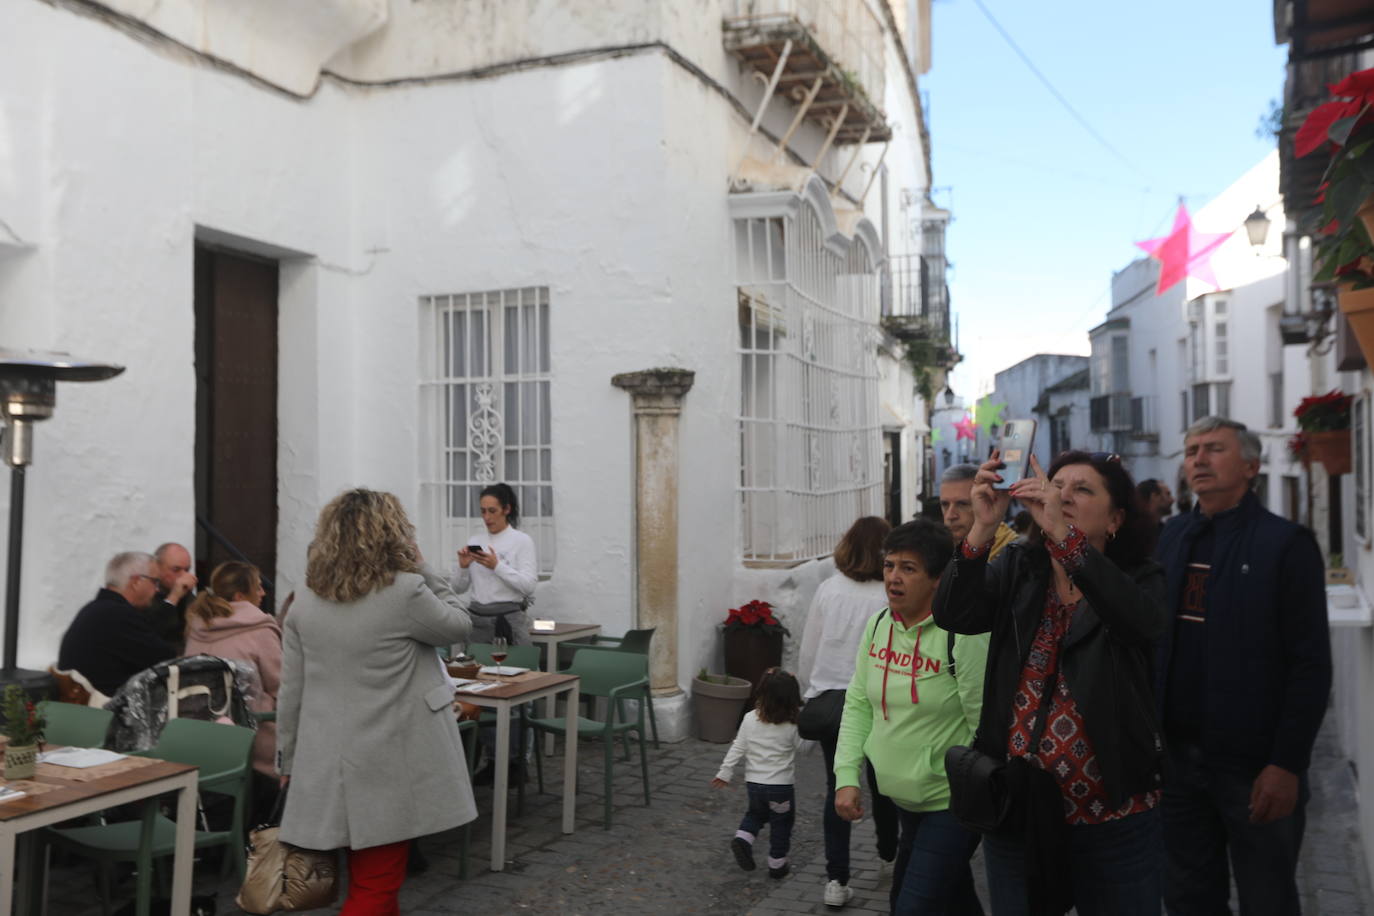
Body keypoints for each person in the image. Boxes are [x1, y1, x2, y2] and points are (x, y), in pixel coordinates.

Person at [933, 450, 1166, 916]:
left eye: (1082, 489)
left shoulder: (1141, 579)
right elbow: (954, 613)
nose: (1062, 495)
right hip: (1018, 806)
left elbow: (1141, 624)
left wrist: (1063, 535)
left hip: (1114, 815)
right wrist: (982, 526)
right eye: (1056, 485)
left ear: (1116, 517)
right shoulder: (1021, 564)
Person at [1155, 417, 1331, 916]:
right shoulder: (1171, 538)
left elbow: (1310, 663)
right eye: (1191, 451)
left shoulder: (1285, 544)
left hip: (1254, 766)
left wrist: (1286, 763)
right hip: (1179, 764)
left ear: (1251, 466)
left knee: (1268, 897)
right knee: (1188, 898)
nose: (1199, 459)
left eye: (1214, 449)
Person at [277, 489, 475, 915]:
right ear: (391, 535)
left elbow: (291, 692)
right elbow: (459, 623)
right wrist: (423, 566)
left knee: (371, 882)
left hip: (327, 762)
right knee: (375, 887)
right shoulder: (404, 592)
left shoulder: (303, 601)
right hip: (390, 764)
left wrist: (288, 762)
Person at [835, 518, 990, 915]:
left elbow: (984, 723)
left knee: (910, 905)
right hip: (903, 800)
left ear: (938, 579)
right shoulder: (878, 625)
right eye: (889, 566)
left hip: (950, 804)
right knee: (953, 897)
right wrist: (846, 777)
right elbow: (858, 704)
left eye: (909, 568)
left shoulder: (963, 634)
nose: (893, 578)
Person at [796, 516, 899, 907]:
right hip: (876, 703)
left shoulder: (828, 590)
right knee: (884, 787)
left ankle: (836, 880)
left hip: (832, 702)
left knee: (838, 787)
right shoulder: (889, 595)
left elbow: (810, 649)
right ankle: (888, 855)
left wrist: (812, 690)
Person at [184, 561, 282, 784]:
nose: (263, 592)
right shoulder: (260, 630)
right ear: (239, 596)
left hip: (200, 734)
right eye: (257, 587)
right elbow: (281, 687)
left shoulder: (198, 628)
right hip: (252, 740)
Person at [711, 668, 803, 880]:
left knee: (755, 815)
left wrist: (724, 772)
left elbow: (738, 747)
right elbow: (804, 748)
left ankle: (743, 839)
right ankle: (777, 864)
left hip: (754, 785)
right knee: (782, 823)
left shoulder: (750, 718)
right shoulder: (793, 724)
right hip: (781, 787)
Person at [58, 552, 176, 697]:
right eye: (155, 582)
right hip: (105, 712)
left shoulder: (98, 608)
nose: (157, 589)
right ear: (136, 582)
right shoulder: (117, 614)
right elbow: (165, 659)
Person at [451, 482, 538, 646]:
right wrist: (462, 567)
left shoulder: (521, 541)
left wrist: (497, 566)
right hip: (477, 619)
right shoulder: (476, 541)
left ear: (506, 509)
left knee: (515, 669)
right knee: (477, 670)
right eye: (483, 511)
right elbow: (458, 588)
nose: (487, 517)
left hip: (508, 619)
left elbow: (528, 586)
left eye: (492, 511)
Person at [940, 464, 1016, 555]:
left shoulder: (1013, 554)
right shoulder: (934, 552)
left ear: (987, 502)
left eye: (962, 504)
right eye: (945, 504)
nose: (950, 516)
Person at [150, 542, 197, 651]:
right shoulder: (145, 594)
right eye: (176, 570)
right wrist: (174, 597)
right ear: (157, 567)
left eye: (187, 570)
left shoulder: (188, 596)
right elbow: (151, 632)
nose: (183, 576)